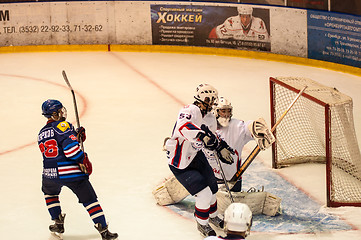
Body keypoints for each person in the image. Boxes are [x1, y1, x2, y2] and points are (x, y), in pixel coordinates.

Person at [38, 99, 118, 240]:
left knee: (50, 194)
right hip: (70, 173)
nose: (63, 113)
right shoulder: (63, 125)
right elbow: (71, 151)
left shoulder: (41, 132)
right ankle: (104, 231)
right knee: (90, 200)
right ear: (55, 113)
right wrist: (83, 158)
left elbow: (58, 145)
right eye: (60, 110)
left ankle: (58, 223)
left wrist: (75, 136)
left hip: (49, 174)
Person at [164, 84, 235, 237]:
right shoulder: (189, 110)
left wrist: (220, 146)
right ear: (203, 99)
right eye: (210, 100)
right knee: (204, 194)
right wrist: (202, 137)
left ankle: (213, 216)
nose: (213, 103)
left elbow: (211, 136)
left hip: (196, 155)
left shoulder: (209, 116)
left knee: (213, 187)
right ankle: (202, 223)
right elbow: (184, 127)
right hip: (180, 162)